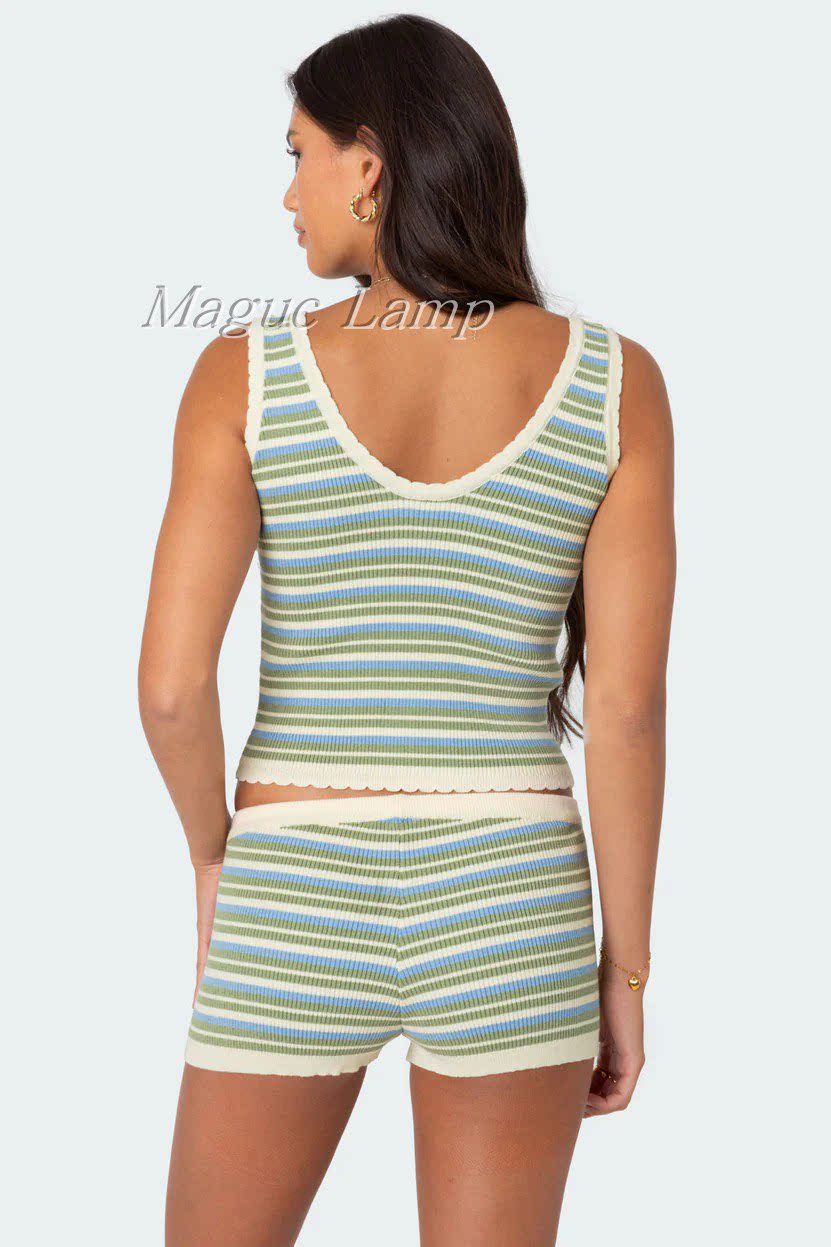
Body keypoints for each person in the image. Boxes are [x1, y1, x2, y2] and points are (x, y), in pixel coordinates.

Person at [138, 14, 675, 1246]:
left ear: (368, 166)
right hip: (511, 889)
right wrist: (624, 967)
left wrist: (217, 858)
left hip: (295, 875)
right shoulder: (613, 383)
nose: (287, 193)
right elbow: (627, 708)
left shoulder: (244, 375)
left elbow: (169, 687)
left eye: (298, 154)